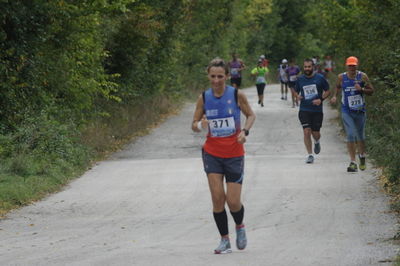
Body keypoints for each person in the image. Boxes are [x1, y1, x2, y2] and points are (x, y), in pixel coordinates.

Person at [191, 58, 256, 254]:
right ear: (208, 76)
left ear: (227, 76)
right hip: (212, 154)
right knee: (218, 198)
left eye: (220, 76)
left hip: (235, 154)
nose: (216, 80)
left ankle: (240, 226)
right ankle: (225, 240)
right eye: (213, 76)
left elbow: (251, 115)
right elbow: (193, 124)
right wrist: (200, 125)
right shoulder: (203, 98)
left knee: (233, 202)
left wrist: (244, 131)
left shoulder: (237, 94)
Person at [330, 56, 374, 172]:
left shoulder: (362, 76)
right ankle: (353, 162)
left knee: (360, 136)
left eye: (353, 65)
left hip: (360, 111)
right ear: (346, 66)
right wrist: (335, 96)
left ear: (357, 65)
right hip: (346, 110)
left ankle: (362, 156)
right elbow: (338, 87)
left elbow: (371, 91)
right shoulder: (341, 77)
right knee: (350, 134)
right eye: (350, 65)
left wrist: (362, 90)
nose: (352, 68)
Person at [292, 58, 330, 164]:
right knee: (306, 131)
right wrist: (297, 96)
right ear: (303, 67)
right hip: (304, 110)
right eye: (305, 67)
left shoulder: (320, 78)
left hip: (317, 110)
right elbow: (295, 90)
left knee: (315, 133)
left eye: (309, 66)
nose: (307, 69)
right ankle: (310, 155)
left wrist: (321, 99)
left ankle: (317, 141)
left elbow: (328, 91)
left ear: (313, 67)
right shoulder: (300, 79)